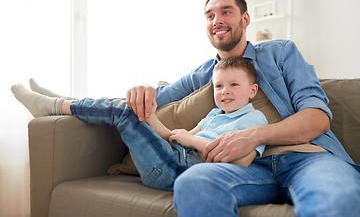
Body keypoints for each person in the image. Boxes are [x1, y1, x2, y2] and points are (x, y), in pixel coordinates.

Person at [124, 0, 360, 217]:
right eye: (210, 15)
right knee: (194, 182)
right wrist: (142, 90)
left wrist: (254, 136)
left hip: (306, 158)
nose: (217, 20)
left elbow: (317, 117)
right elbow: (157, 96)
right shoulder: (203, 74)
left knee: (336, 196)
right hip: (244, 168)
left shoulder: (281, 52)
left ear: (245, 18)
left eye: (226, 12)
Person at [11, 57, 268, 190]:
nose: (224, 91)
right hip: (172, 156)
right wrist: (150, 118)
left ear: (252, 90)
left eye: (234, 85)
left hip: (180, 172)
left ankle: (54, 105)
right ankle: (59, 102)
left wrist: (191, 140)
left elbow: (240, 162)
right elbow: (173, 136)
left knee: (122, 112)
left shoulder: (255, 119)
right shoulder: (214, 115)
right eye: (220, 85)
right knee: (130, 108)